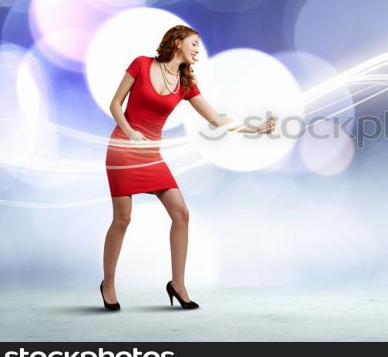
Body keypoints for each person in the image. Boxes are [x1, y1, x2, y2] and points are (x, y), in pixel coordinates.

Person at [99, 24, 276, 310]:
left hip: (151, 154)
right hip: (123, 147)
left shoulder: (184, 84)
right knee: (123, 219)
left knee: (181, 213)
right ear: (178, 42)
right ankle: (108, 284)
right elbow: (115, 104)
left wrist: (255, 130)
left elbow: (216, 119)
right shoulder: (141, 64)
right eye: (194, 44)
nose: (197, 50)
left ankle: (177, 284)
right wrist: (131, 133)